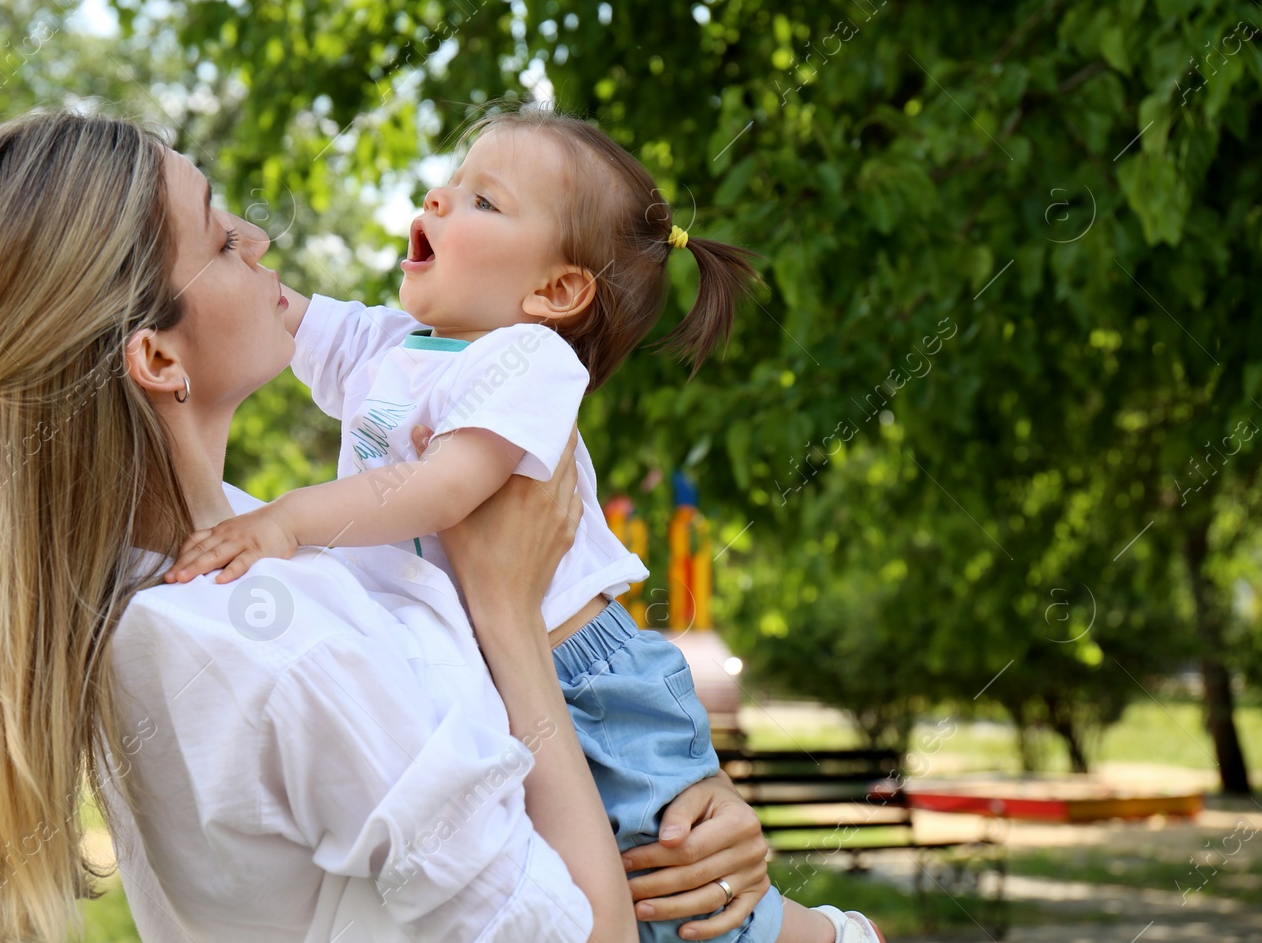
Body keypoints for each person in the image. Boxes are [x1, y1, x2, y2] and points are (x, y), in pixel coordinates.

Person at [0, 109, 778, 943]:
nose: (254, 238)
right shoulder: (280, 644)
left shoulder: (184, 574)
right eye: (218, 239)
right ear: (159, 356)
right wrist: (507, 609)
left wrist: (678, 794)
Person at [165, 108, 886, 943]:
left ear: (555, 291)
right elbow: (273, 309)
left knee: (682, 899)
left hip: (585, 680)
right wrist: (210, 259)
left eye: (483, 201)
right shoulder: (390, 343)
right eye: (451, 182)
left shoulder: (526, 362)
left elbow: (442, 489)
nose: (437, 199)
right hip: (491, 665)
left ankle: (830, 937)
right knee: (580, 893)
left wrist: (288, 521)